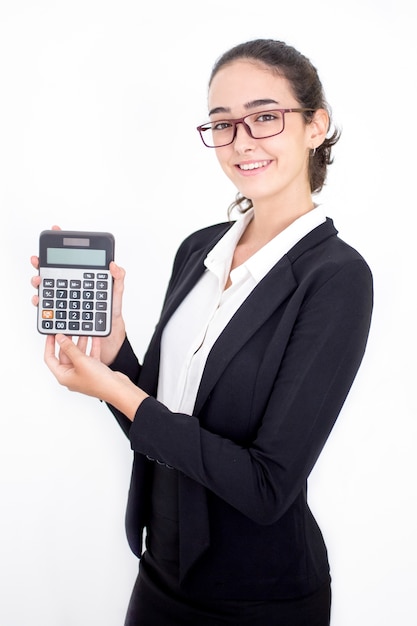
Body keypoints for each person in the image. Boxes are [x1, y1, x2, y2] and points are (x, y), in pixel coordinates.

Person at [31, 39, 373, 625]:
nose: (242, 141)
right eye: (222, 124)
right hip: (161, 573)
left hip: (260, 598)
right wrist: (114, 355)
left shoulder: (336, 278)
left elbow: (267, 487)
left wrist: (118, 392)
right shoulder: (200, 250)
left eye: (265, 117)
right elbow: (162, 425)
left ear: (316, 126)